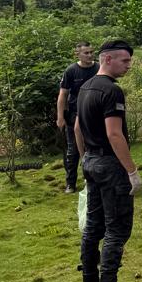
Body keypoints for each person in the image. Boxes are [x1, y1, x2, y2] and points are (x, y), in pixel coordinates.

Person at [75, 40, 142, 282]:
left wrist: (85, 159)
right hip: (109, 165)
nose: (128, 66)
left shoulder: (85, 87)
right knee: (117, 229)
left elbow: (78, 128)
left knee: (93, 227)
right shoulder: (112, 91)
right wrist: (132, 171)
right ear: (107, 59)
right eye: (124, 61)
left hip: (91, 159)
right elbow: (115, 134)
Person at [56, 41, 98, 193]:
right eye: (86, 53)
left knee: (94, 147)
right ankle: (70, 183)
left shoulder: (98, 68)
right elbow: (63, 95)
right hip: (74, 114)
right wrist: (60, 117)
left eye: (91, 52)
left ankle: (92, 179)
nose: (89, 55)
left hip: (95, 114)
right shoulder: (71, 71)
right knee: (73, 151)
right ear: (78, 54)